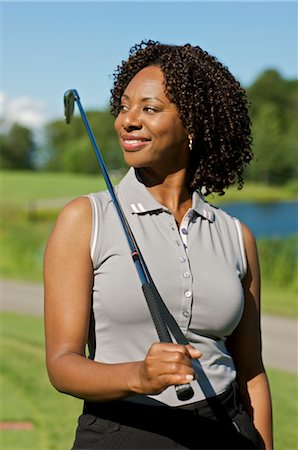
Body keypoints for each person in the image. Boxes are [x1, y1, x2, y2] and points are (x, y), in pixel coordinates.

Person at [44, 40, 273, 450]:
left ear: (193, 126)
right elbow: (62, 365)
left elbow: (251, 371)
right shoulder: (85, 219)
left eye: (149, 109)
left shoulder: (237, 236)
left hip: (227, 429)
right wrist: (138, 375)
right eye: (125, 107)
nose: (128, 121)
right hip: (125, 431)